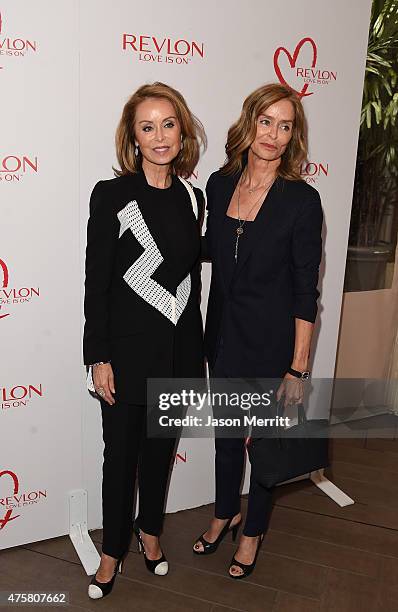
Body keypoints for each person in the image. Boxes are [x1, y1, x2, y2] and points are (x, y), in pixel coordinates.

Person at [193, 83, 323, 579]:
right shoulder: (220, 185)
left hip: (272, 349)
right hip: (224, 338)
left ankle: (253, 532)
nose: (273, 134)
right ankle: (226, 511)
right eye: (266, 121)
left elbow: (304, 290)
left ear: (293, 137)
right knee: (226, 439)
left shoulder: (301, 202)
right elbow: (213, 249)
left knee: (264, 446)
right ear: (249, 122)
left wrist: (298, 367)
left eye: (285, 126)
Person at [83, 82, 206, 599]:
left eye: (168, 124)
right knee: (121, 456)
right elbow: (98, 282)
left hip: (177, 353)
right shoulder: (111, 196)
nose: (159, 136)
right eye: (147, 126)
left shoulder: (195, 198)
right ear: (132, 137)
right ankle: (113, 549)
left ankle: (149, 533)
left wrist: (197, 359)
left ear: (182, 130)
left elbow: (192, 288)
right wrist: (98, 356)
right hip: (127, 356)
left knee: (160, 454)